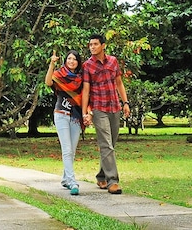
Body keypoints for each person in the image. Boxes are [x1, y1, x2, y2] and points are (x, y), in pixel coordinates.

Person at [80, 33, 130, 194]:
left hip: (114, 106)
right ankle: (112, 181)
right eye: (90, 44)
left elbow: (119, 83)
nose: (92, 47)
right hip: (98, 108)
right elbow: (86, 90)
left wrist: (126, 102)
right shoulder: (87, 65)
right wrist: (84, 113)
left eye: (95, 44)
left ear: (103, 45)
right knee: (106, 145)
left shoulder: (113, 61)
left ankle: (101, 176)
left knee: (111, 144)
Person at [45, 49, 84, 195]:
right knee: (67, 150)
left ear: (78, 62)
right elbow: (48, 82)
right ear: (65, 61)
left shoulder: (80, 78)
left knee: (72, 151)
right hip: (61, 114)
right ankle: (72, 181)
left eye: (74, 59)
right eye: (69, 59)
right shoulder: (59, 75)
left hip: (75, 116)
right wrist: (52, 64)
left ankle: (65, 179)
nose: (71, 61)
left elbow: (84, 96)